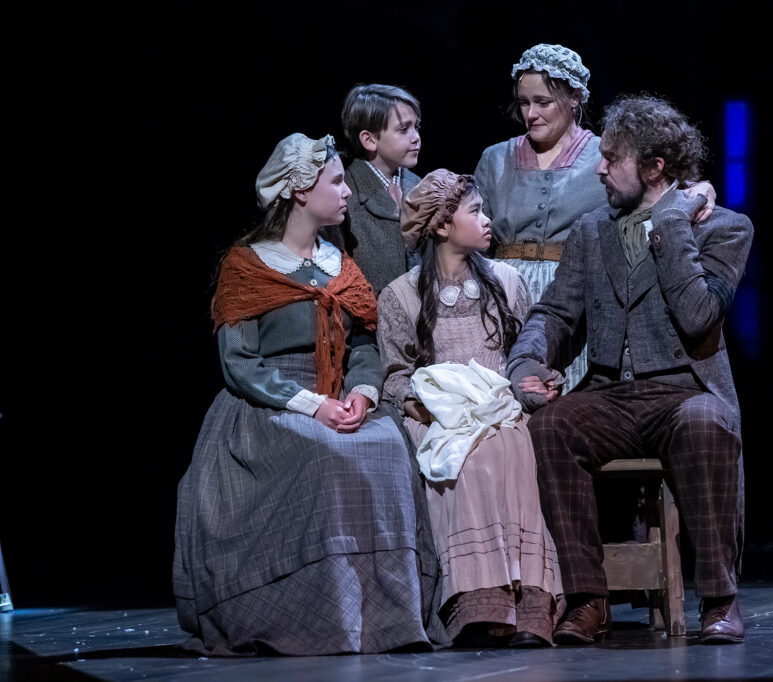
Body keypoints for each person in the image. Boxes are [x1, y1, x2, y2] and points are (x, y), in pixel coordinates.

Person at [507, 95, 753, 645]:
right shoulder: (593, 231)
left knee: (706, 423)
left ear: (654, 166)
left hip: (683, 390)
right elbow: (556, 313)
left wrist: (668, 223)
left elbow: (697, 315)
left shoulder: (726, 229)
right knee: (553, 425)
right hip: (612, 395)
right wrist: (527, 360)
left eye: (611, 158)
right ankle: (589, 600)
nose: (598, 167)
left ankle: (719, 598)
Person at [173, 133, 432, 655]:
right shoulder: (247, 267)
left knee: (385, 445)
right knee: (326, 454)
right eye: (336, 182)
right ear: (298, 191)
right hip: (269, 402)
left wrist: (361, 393)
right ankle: (318, 615)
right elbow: (239, 363)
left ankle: (384, 618)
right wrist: (314, 405)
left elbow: (362, 344)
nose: (347, 193)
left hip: (341, 393)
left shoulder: (341, 265)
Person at [377, 169, 564, 647]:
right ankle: (478, 604)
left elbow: (523, 354)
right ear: (441, 225)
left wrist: (537, 378)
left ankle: (528, 604)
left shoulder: (507, 281)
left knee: (507, 448)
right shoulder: (400, 295)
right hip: (438, 416)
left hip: (498, 408)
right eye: (475, 211)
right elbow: (395, 375)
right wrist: (419, 406)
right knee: (464, 456)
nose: (488, 220)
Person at [475, 43, 716, 392]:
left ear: (575, 98)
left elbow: (665, 185)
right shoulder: (495, 159)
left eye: (542, 102)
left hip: (576, 291)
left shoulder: (606, 156)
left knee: (565, 395)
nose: (531, 113)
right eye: (524, 103)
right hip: (503, 292)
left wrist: (703, 188)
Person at [320, 84, 423, 295]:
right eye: (404, 129)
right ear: (369, 140)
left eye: (417, 127)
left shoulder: (420, 186)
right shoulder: (346, 194)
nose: (416, 137)